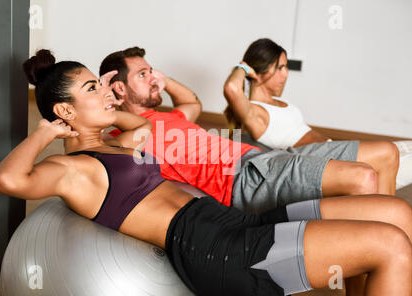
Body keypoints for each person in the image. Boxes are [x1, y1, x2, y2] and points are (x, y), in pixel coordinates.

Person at [0, 49, 412, 296]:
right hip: (217, 249)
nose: (104, 91)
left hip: (232, 222)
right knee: (391, 245)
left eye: (101, 84)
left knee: (395, 213)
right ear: (65, 111)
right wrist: (46, 131)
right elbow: (9, 180)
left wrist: (103, 105)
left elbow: (145, 127)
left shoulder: (114, 143)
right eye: (91, 89)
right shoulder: (73, 170)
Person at [99, 47, 395, 216]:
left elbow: (192, 102)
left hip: (267, 158)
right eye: (143, 74)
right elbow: (89, 153)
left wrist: (162, 79)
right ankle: (374, 265)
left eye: (153, 71)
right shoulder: (124, 138)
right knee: (363, 177)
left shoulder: (168, 115)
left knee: (386, 153)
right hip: (245, 178)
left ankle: (385, 263)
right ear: (119, 89)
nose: (153, 79)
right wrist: (105, 108)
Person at [223, 38, 411, 190]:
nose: (286, 74)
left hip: (333, 148)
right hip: (325, 159)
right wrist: (244, 67)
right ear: (260, 70)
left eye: (286, 67)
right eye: (280, 68)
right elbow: (232, 88)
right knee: (390, 153)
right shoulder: (256, 113)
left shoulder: (278, 103)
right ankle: (386, 219)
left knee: (406, 148)